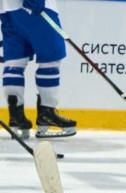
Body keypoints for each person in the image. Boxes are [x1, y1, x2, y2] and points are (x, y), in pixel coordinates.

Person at [0, 0, 76, 138]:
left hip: (7, 11)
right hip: (34, 8)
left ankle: (16, 118)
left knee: (15, 62)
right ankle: (46, 116)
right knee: (50, 59)